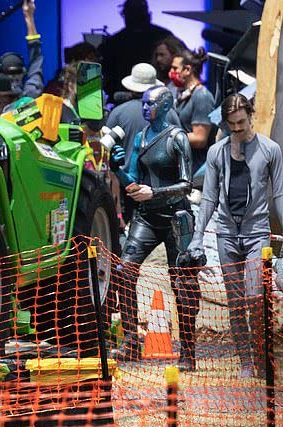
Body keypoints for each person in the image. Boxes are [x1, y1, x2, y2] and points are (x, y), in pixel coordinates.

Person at [188, 93, 283, 378]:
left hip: (256, 233)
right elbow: (208, 199)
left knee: (255, 297)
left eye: (242, 123)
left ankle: (261, 355)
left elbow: (278, 193)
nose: (238, 129)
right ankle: (245, 361)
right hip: (227, 233)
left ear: (251, 116)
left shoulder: (269, 150)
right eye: (232, 125)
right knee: (236, 300)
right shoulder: (217, 152)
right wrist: (196, 236)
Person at [108, 86, 201, 371]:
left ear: (163, 105)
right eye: (144, 104)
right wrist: (117, 169)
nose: (144, 108)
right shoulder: (140, 137)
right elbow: (134, 180)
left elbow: (187, 185)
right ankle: (132, 342)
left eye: (149, 104)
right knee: (124, 271)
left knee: (182, 282)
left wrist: (155, 193)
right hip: (148, 217)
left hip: (177, 216)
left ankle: (188, 351)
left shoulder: (177, 138)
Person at [105, 63, 181, 224]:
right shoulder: (171, 113)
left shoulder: (118, 113)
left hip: (129, 189)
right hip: (162, 189)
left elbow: (107, 151)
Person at [99, 0, 173, 101]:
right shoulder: (164, 36)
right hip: (156, 100)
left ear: (125, 15)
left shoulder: (113, 42)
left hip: (125, 100)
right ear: (148, 14)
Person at [170, 47, 215, 175]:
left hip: (195, 170)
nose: (171, 72)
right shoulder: (178, 93)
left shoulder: (202, 96)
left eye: (175, 69)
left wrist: (168, 137)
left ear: (187, 70)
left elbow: (200, 139)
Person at [0, 0, 44, 99]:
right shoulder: (31, 94)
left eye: (15, 74)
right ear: (23, 72)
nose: (13, 79)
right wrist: (29, 17)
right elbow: (36, 61)